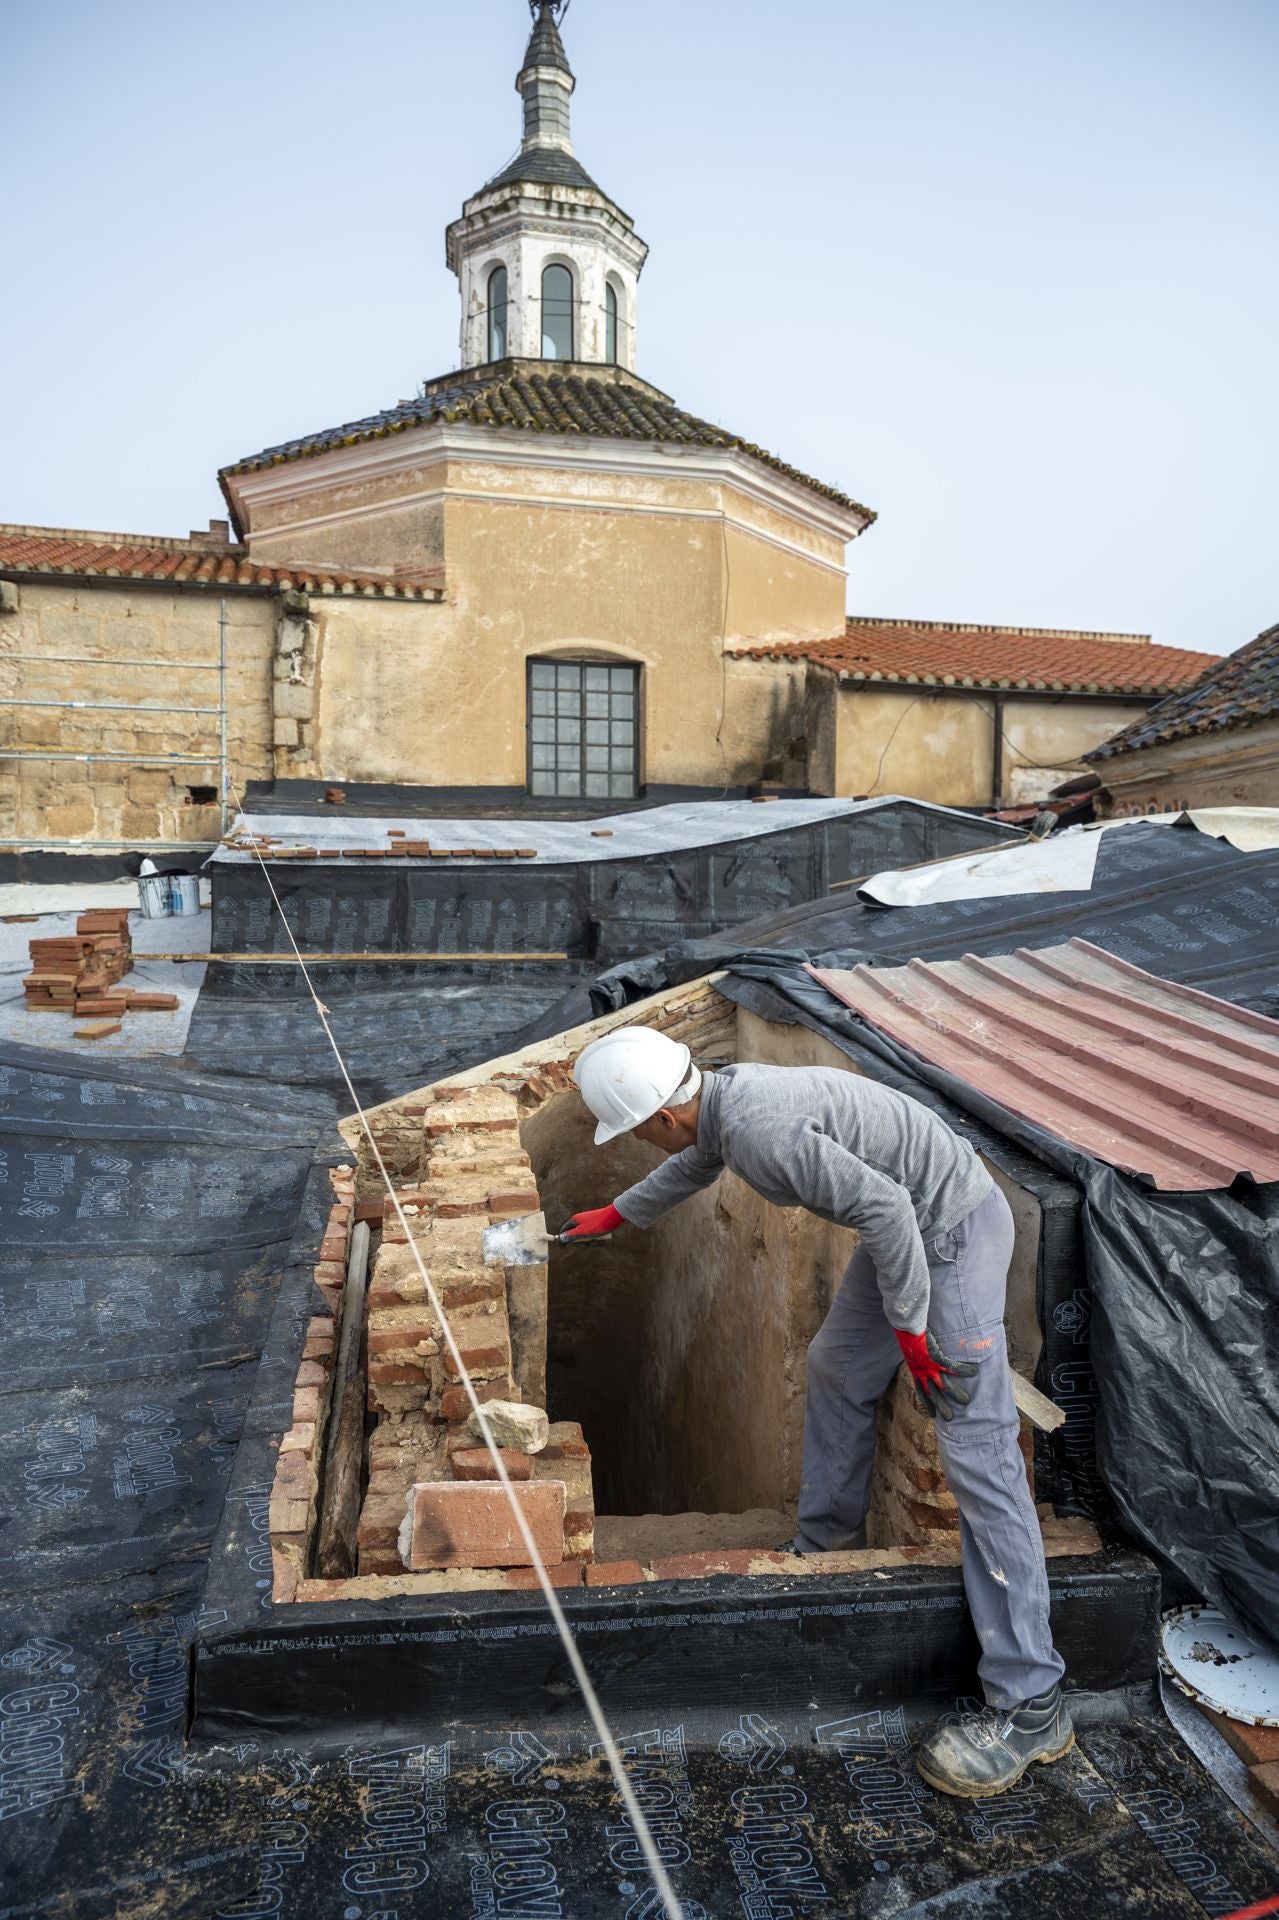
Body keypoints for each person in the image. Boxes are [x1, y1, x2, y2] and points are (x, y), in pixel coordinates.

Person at [565, 1026, 1072, 1800]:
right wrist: (623, 1212)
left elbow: (890, 1211)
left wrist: (912, 1327)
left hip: (949, 1235)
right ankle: (826, 1544)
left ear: (662, 1115)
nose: (639, 1138)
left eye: (634, 1129)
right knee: (835, 1364)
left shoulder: (760, 1131)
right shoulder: (725, 1101)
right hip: (906, 1226)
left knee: (979, 1457)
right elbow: (706, 1159)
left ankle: (1031, 1701)